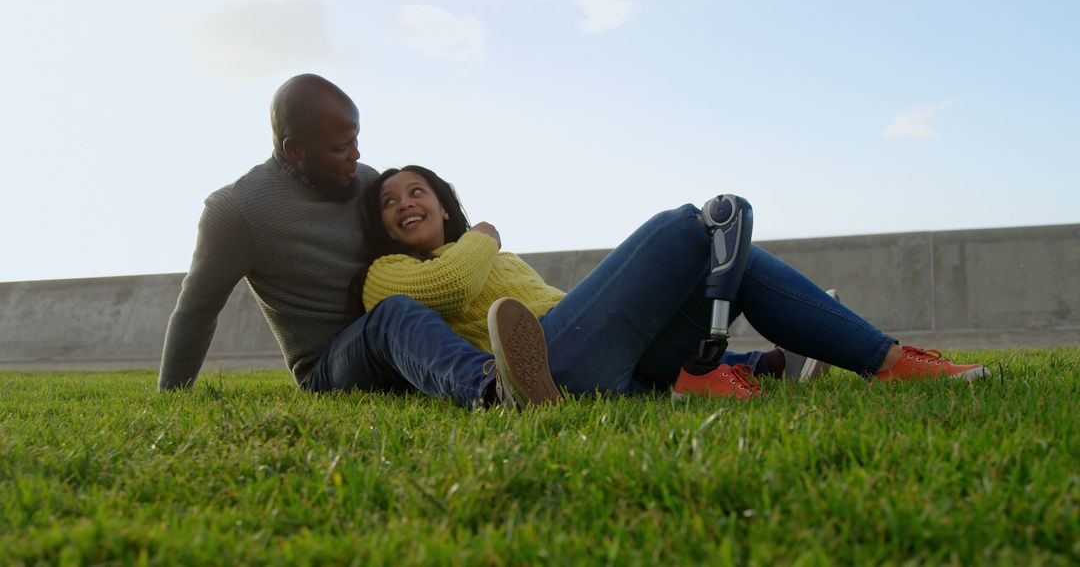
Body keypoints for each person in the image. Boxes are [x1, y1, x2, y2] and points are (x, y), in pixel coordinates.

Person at [356, 165, 990, 398]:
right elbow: (451, 288)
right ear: (380, 223)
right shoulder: (387, 276)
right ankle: (740, 365)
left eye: (419, 192)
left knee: (724, 252)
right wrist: (483, 235)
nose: (405, 202)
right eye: (390, 200)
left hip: (603, 350)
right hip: (547, 365)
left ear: (442, 205)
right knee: (685, 226)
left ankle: (885, 358)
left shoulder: (487, 252)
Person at [159, 74, 562, 410]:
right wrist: (171, 398)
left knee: (404, 312)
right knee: (392, 313)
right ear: (294, 150)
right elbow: (196, 309)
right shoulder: (237, 211)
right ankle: (493, 391)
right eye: (340, 148)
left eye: (356, 139)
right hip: (336, 364)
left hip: (421, 345)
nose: (357, 154)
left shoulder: (366, 181)